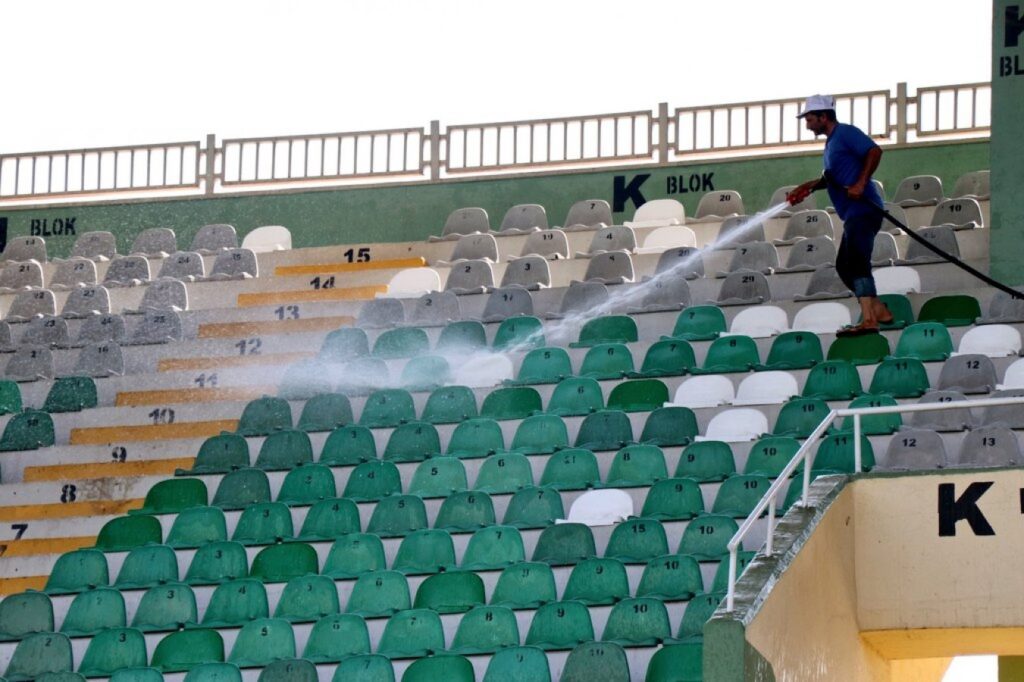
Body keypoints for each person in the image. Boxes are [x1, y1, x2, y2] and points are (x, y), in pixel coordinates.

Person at [787, 94, 892, 336]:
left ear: (824, 117)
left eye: (810, 118)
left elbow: (874, 152)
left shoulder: (845, 133)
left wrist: (860, 183)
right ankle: (878, 309)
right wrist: (808, 186)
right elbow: (832, 178)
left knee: (856, 262)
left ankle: (869, 320)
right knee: (844, 266)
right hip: (852, 214)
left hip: (864, 210)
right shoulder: (831, 143)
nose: (807, 124)